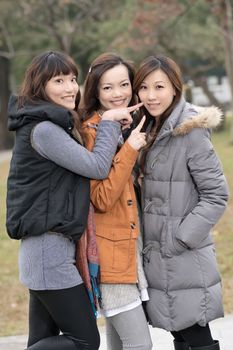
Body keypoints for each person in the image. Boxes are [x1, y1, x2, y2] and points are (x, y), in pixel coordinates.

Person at [6, 51, 141, 350]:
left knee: (41, 341)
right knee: (85, 340)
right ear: (40, 86)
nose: (70, 88)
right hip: (48, 254)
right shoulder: (44, 131)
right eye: (59, 80)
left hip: (46, 251)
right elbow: (95, 167)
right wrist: (107, 122)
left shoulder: (52, 126)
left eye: (72, 79)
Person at [133, 55, 228, 350]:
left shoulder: (191, 131)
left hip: (181, 255)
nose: (151, 95)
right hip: (159, 255)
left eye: (159, 86)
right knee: (181, 335)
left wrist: (180, 238)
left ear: (175, 88)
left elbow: (216, 194)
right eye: (144, 87)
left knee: (194, 335)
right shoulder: (148, 128)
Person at [81, 52, 153, 350]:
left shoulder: (127, 124)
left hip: (128, 249)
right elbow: (101, 198)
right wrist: (131, 150)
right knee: (139, 345)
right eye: (107, 88)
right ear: (95, 90)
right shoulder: (90, 131)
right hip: (110, 255)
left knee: (119, 344)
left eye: (124, 84)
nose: (118, 94)